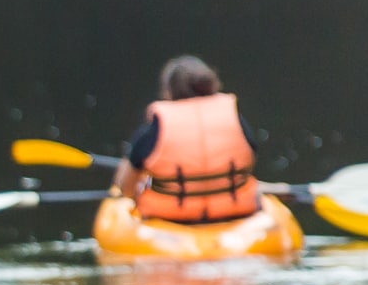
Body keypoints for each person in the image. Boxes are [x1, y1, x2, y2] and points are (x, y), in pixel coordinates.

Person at [110, 55, 266, 224]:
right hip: (235, 214)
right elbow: (251, 157)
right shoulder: (234, 117)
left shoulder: (155, 127)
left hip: (172, 219)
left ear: (168, 90)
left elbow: (125, 187)